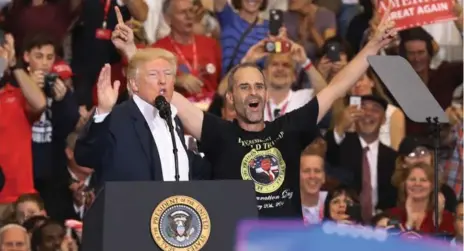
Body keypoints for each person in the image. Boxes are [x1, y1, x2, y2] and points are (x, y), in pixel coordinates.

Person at [114, 7, 396, 217]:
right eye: (244, 87)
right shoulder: (218, 133)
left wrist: (372, 46)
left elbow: (337, 87)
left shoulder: (289, 129)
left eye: (258, 87)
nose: (253, 93)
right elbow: (165, 92)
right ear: (232, 96)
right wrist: (131, 50)